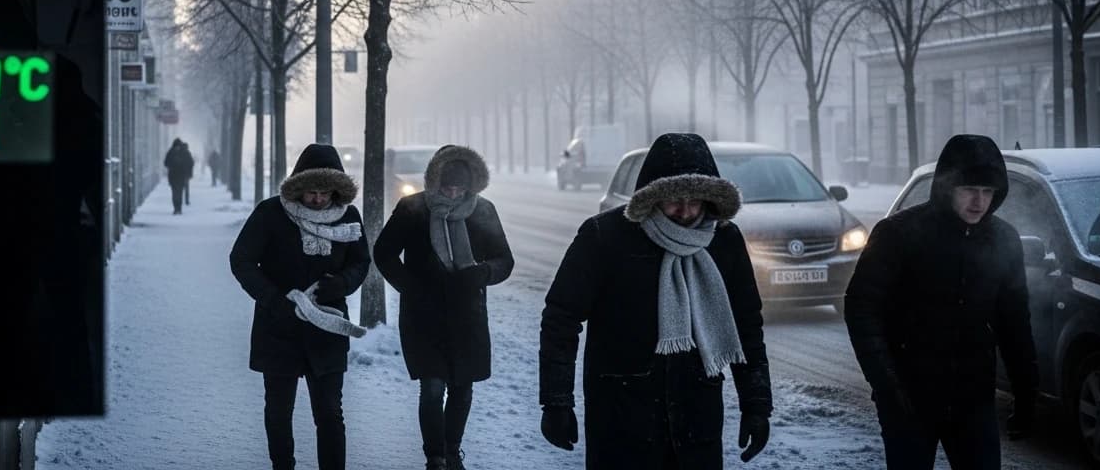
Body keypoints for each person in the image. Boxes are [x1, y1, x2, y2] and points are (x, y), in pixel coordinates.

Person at [539, 133, 772, 469]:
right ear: (651, 196)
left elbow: (747, 323)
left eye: (696, 200)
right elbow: (561, 319)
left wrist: (757, 404)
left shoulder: (724, 241)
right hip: (622, 419)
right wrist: (557, 402)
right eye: (674, 199)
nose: (686, 211)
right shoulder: (605, 237)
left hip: (697, 419)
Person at [844, 134, 1037, 469]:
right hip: (908, 397)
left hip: (972, 399)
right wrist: (887, 383)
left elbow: (1014, 322)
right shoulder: (899, 234)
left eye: (987, 191)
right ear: (948, 187)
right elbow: (862, 308)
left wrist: (1026, 393)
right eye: (969, 189)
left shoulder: (1003, 240)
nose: (979, 201)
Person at [373, 145, 515, 470]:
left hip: (468, 316)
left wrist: (484, 273)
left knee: (462, 389)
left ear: (471, 185)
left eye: (459, 187)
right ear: (434, 181)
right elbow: (384, 252)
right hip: (424, 315)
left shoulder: (483, 211)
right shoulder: (413, 209)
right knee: (433, 387)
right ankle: (435, 456)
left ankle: (453, 451)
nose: (452, 193)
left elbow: (504, 259)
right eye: (446, 186)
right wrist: (410, 286)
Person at [230, 143, 371, 470]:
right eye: (311, 192)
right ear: (298, 186)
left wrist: (343, 283)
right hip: (279, 327)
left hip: (328, 327)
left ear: (337, 189)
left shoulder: (348, 217)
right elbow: (242, 260)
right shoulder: (270, 214)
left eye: (325, 192)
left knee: (330, 414)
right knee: (279, 411)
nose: (318, 199)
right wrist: (274, 300)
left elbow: (361, 260)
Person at [163, 138, 190, 215]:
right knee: (176, 193)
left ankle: (178, 208)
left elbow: (166, 163)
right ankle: (176, 208)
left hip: (176, 176)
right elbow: (166, 163)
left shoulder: (171, 152)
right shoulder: (183, 153)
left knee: (178, 192)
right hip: (177, 176)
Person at [180, 139, 195, 205]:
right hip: (186, 174)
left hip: (180, 174)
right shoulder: (188, 153)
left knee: (180, 189)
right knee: (186, 188)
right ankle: (186, 200)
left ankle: (179, 201)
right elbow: (192, 163)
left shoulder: (179, 153)